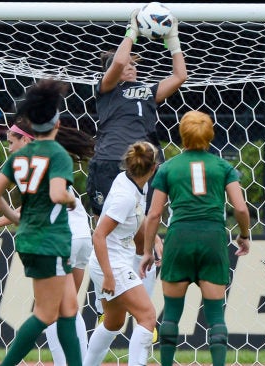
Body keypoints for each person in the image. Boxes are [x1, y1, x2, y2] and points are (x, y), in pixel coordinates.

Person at [86, 7, 187, 325]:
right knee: (107, 232)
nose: (131, 67)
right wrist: (132, 30)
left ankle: (144, 314)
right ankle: (105, 294)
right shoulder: (106, 90)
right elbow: (116, 62)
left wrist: (173, 40)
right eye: (129, 64)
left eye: (133, 64)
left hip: (143, 169)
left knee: (148, 239)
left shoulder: (147, 93)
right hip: (108, 165)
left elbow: (180, 77)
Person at [0, 119, 94, 366]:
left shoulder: (20, 162)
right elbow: (56, 194)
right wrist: (68, 200)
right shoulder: (55, 156)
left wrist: (9, 219)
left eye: (10, 142)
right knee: (57, 312)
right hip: (65, 238)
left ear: (27, 138)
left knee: (64, 310)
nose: (8, 147)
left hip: (47, 240)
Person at [139, 110, 251, 366]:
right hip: (212, 237)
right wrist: (243, 235)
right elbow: (241, 209)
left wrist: (148, 250)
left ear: (182, 135)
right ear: (210, 135)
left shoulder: (168, 168)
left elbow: (154, 214)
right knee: (215, 315)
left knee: (171, 315)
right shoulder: (222, 166)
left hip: (179, 238)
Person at [83, 141, 159, 366]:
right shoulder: (125, 197)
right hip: (112, 265)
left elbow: (137, 221)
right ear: (153, 168)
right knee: (148, 317)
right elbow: (99, 235)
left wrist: (148, 248)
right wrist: (108, 275)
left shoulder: (132, 182)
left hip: (112, 262)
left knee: (113, 323)